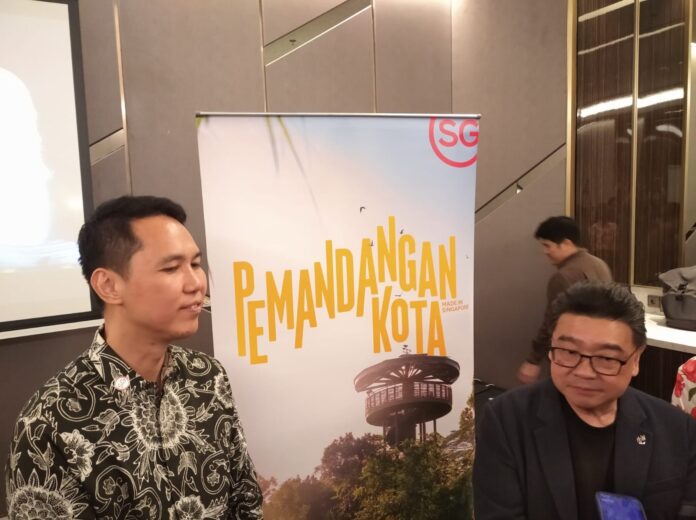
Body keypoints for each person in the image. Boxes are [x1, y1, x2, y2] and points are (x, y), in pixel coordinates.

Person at [5, 196, 263, 519]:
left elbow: (245, 502)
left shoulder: (207, 376)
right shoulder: (49, 422)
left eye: (196, 264)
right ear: (108, 285)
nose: (196, 283)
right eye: (171, 268)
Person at [474, 281, 696, 519]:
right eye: (569, 352)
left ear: (636, 359)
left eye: (606, 358)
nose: (584, 372)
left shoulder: (676, 429)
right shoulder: (506, 420)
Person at [518, 216, 612, 384]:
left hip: (572, 356)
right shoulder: (599, 264)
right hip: (600, 352)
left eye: (548, 246)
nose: (545, 252)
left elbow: (552, 321)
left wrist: (533, 360)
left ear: (567, 243)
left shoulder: (563, 277)